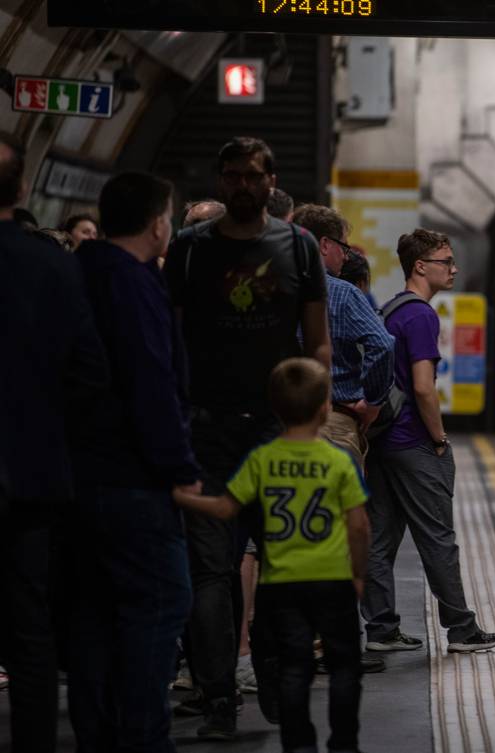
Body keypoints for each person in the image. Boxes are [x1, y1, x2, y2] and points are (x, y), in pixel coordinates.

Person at [166, 136, 331, 740]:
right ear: (220, 180)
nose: (243, 185)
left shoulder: (299, 247)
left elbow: (317, 343)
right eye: (232, 176)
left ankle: (268, 665)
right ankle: (218, 699)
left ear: (271, 181)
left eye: (253, 176)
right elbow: (172, 343)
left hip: (276, 431)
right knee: (211, 572)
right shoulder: (189, 250)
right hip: (205, 430)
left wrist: (312, 422)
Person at [174, 358, 370, 753]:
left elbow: (225, 509)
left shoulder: (261, 460)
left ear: (275, 409)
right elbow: (359, 526)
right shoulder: (339, 460)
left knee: (293, 667)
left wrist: (180, 496)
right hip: (332, 581)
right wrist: (358, 575)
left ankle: (297, 743)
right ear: (325, 408)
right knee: (344, 667)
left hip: (281, 585)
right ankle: (344, 742)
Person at [68, 172, 199, 752]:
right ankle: (142, 739)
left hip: (77, 475)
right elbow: (151, 381)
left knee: (94, 613)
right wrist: (179, 466)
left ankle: (98, 736)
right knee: (163, 600)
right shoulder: (133, 283)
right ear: (157, 223)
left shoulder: (78, 271)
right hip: (133, 477)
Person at [0, 135, 108, 753]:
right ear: (23, 187)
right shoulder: (53, 265)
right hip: (34, 472)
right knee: (30, 626)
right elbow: (89, 373)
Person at [362, 229, 495, 654]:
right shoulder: (421, 316)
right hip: (413, 443)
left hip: (384, 441)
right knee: (438, 537)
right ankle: (461, 629)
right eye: (446, 261)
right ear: (420, 266)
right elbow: (423, 387)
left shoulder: (391, 310)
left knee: (379, 540)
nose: (454, 269)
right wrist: (439, 439)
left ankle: (381, 629)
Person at [291, 204, 394, 466]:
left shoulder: (273, 286)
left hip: (280, 422)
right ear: (325, 245)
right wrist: (372, 403)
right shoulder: (344, 293)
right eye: (344, 247)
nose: (346, 257)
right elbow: (382, 345)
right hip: (334, 422)